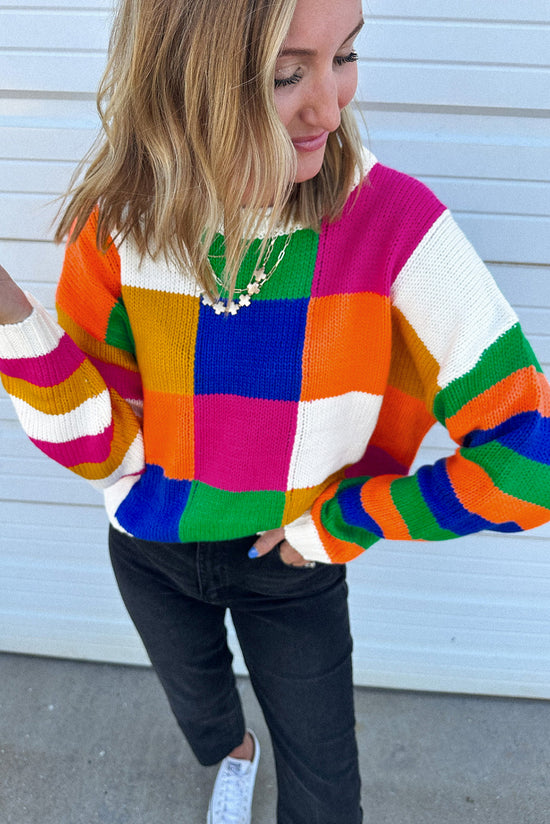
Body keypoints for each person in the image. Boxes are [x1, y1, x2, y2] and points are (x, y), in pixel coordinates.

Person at [1, 0, 549, 822]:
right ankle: (233, 755)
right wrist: (11, 315)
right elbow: (99, 445)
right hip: (151, 546)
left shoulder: (396, 228)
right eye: (287, 74)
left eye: (345, 57)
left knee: (327, 796)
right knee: (201, 708)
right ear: (190, 75)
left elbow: (529, 462)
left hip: (293, 567)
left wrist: (347, 521)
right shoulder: (121, 222)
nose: (330, 107)